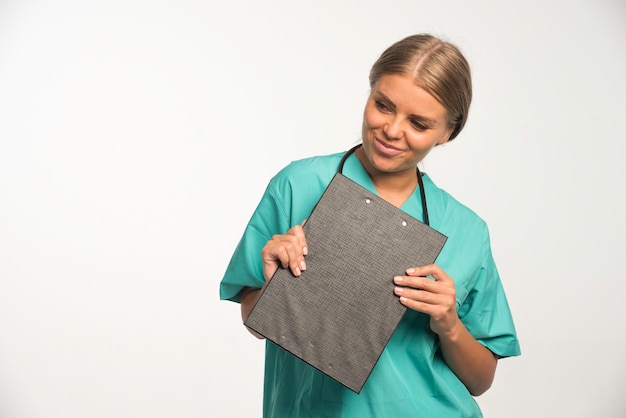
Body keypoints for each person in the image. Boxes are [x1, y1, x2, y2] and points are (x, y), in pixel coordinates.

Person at [220, 33, 520, 417]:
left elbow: (480, 381)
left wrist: (449, 324)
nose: (392, 130)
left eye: (419, 123)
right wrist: (274, 285)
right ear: (369, 93)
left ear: (448, 132)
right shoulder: (298, 186)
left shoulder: (467, 230)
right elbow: (255, 323)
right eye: (383, 105)